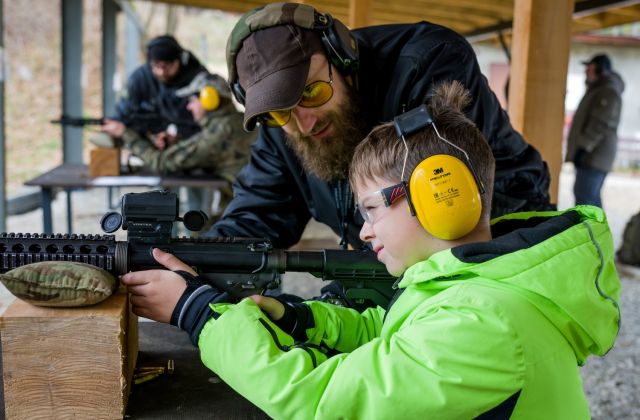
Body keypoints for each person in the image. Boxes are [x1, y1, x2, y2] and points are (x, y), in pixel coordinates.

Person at [121, 81, 621, 418]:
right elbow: (395, 340)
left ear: (438, 196)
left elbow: (322, 402)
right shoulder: (474, 289)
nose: (363, 232)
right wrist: (304, 320)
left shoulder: (484, 324)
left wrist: (195, 311)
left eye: (371, 210)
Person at [208, 2, 553, 253]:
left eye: (312, 91)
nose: (304, 122)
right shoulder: (283, 121)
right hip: (389, 253)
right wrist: (196, 261)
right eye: (280, 112)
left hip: (504, 238)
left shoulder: (428, 63)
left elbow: (436, 217)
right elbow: (259, 213)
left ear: (343, 57)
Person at [100, 74, 256, 220]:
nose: (189, 107)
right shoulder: (236, 122)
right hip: (252, 205)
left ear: (209, 99)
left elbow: (161, 163)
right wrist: (178, 142)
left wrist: (125, 134)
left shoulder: (219, 132)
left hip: (248, 213)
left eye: (193, 100)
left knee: (201, 236)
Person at [102, 34, 208, 141]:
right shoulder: (139, 79)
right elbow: (124, 113)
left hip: (192, 141)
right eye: (157, 65)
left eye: (168, 65)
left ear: (180, 60)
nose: (162, 72)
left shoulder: (198, 78)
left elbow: (210, 122)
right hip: (151, 141)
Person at [566, 53, 625, 208]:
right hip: (591, 155)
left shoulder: (608, 91)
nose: (586, 72)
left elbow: (601, 124)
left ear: (601, 70)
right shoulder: (599, 89)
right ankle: (596, 232)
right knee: (588, 198)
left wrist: (584, 147)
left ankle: (591, 232)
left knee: (586, 201)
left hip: (594, 156)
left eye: (590, 68)